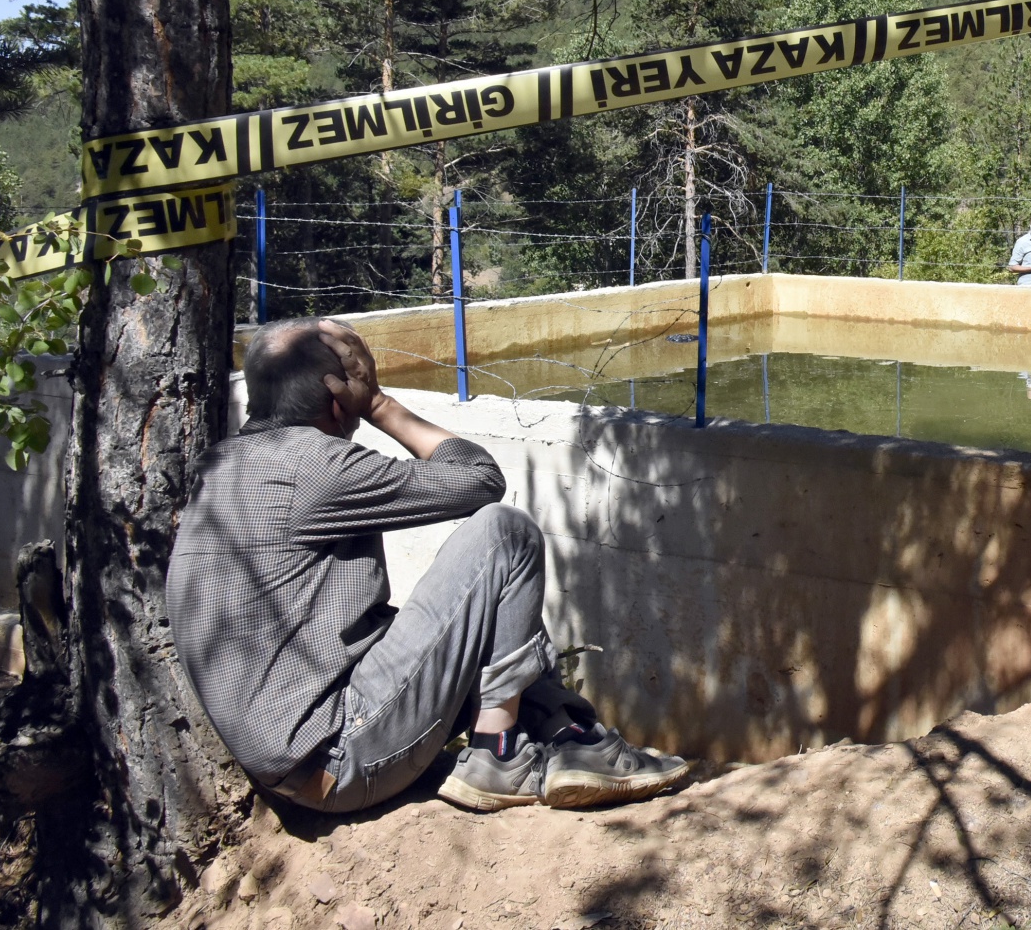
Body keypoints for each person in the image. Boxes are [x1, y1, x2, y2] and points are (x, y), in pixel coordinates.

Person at [167, 317, 690, 814]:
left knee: (465, 611)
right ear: (336, 397)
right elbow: (480, 478)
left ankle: (567, 738)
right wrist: (379, 403)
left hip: (293, 763)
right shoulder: (317, 466)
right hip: (342, 757)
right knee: (505, 534)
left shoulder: (218, 469)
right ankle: (501, 753)